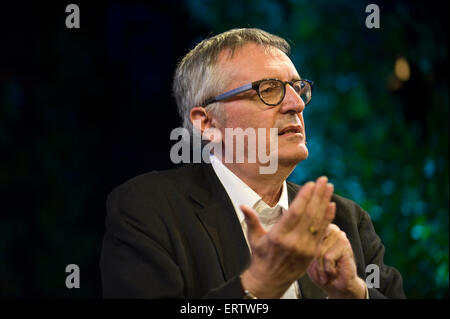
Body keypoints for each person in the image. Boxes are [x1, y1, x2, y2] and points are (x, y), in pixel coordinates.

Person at [100, 28, 405, 299]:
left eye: (298, 88)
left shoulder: (346, 220)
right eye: (268, 90)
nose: (296, 104)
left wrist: (353, 293)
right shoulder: (147, 208)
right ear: (206, 123)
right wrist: (258, 286)